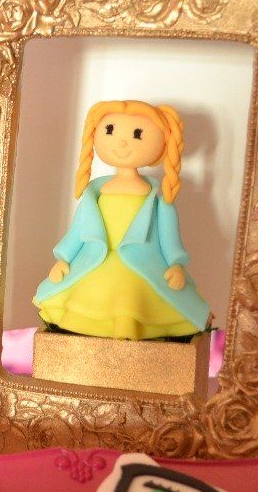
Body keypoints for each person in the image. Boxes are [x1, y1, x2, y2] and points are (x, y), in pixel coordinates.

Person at [33, 100, 210, 341]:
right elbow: (77, 232)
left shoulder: (159, 201)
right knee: (82, 302)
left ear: (163, 145)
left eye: (137, 134)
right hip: (94, 263)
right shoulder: (94, 195)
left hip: (142, 267)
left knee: (130, 301)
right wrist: (63, 258)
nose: (122, 142)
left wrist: (176, 264)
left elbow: (170, 239)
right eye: (110, 130)